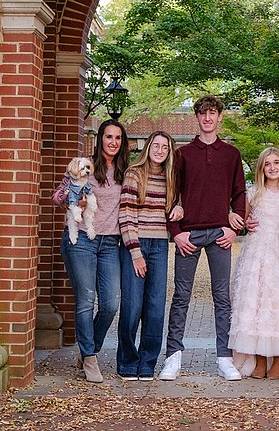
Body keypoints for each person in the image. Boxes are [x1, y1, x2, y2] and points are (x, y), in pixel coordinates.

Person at [159, 95, 247, 381]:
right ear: (196, 117)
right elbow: (171, 195)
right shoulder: (183, 154)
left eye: (213, 113)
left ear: (220, 117)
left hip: (220, 234)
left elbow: (239, 192)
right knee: (181, 297)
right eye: (202, 113)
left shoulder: (231, 154)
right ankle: (173, 358)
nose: (208, 118)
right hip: (189, 235)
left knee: (222, 297)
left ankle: (225, 357)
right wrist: (176, 234)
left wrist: (235, 228)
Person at [53, 119, 129, 383]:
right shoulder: (84, 166)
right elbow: (58, 196)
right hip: (82, 240)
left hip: (110, 243)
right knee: (86, 301)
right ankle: (89, 358)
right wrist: (74, 200)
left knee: (110, 304)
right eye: (108, 137)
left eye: (118, 138)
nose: (113, 142)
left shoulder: (125, 171)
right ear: (101, 139)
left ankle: (88, 349)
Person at [227, 147, 279, 379]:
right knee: (255, 303)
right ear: (261, 168)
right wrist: (235, 217)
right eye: (267, 164)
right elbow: (241, 218)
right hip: (256, 254)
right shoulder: (254, 193)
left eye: (276, 163)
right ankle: (258, 359)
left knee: (278, 304)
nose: (272, 168)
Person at [117, 131, 181, 381]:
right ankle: (127, 361)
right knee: (132, 306)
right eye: (156, 145)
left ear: (169, 152)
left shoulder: (170, 177)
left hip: (160, 245)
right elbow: (126, 215)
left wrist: (180, 205)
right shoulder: (134, 174)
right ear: (148, 147)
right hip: (136, 244)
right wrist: (135, 252)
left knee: (155, 307)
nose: (160, 150)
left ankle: (147, 363)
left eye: (165, 147)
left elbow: (178, 201)